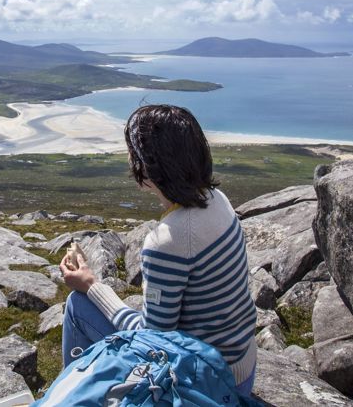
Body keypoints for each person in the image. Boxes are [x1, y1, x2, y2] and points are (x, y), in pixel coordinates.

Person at [59, 104, 258, 396]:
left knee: (78, 306)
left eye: (133, 153)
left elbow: (153, 339)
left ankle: (74, 396)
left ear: (147, 167)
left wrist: (91, 285)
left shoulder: (168, 241)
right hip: (241, 366)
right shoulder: (217, 199)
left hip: (209, 385)